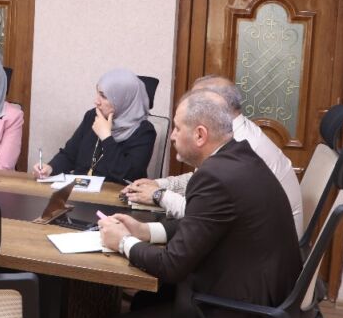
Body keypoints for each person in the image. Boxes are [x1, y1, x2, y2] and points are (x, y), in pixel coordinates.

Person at [97, 90, 302, 318]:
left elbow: (172, 266)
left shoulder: (215, 177)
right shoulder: (241, 158)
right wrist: (145, 231)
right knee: (146, 301)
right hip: (262, 303)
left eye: (178, 128)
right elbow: (203, 226)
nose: (172, 135)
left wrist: (123, 243)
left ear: (200, 134)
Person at [123, 75, 304, 238]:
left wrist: (158, 195)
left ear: (217, 105)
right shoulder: (232, 131)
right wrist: (160, 184)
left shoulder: (242, 143)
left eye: (196, 101)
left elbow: (203, 214)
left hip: (263, 246)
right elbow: (201, 180)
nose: (189, 106)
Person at [33, 69, 156, 184]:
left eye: (104, 96)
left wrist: (106, 137)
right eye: (98, 93)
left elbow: (129, 175)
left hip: (113, 196)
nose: (96, 101)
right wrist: (50, 168)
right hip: (79, 192)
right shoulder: (92, 116)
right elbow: (69, 155)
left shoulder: (144, 131)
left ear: (123, 100)